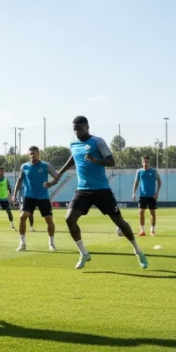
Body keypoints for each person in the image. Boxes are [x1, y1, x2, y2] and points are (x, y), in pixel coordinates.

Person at [51, 116, 148, 270]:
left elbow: (111, 161)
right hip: (83, 190)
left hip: (102, 190)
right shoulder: (73, 143)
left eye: (79, 128)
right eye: (74, 129)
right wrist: (60, 172)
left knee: (120, 223)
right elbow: (73, 158)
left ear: (87, 127)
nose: (76, 131)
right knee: (69, 218)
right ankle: (84, 253)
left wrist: (95, 160)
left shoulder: (98, 141)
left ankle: (138, 251)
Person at [13, 146, 59, 252]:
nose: (32, 155)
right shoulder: (24, 167)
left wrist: (50, 183)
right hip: (29, 196)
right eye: (30, 154)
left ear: (38, 154)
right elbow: (19, 180)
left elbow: (56, 177)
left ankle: (51, 243)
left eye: (34, 153)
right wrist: (14, 195)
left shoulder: (45, 165)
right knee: (22, 217)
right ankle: (22, 243)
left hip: (43, 197)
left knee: (49, 220)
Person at [132, 156, 161, 236]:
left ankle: (152, 230)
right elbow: (136, 182)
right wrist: (133, 193)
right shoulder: (139, 171)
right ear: (142, 162)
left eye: (147, 162)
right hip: (142, 196)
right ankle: (142, 230)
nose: (145, 163)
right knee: (141, 212)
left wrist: (157, 192)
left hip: (152, 196)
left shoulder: (154, 171)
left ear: (149, 162)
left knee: (152, 212)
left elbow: (159, 181)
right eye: (144, 162)